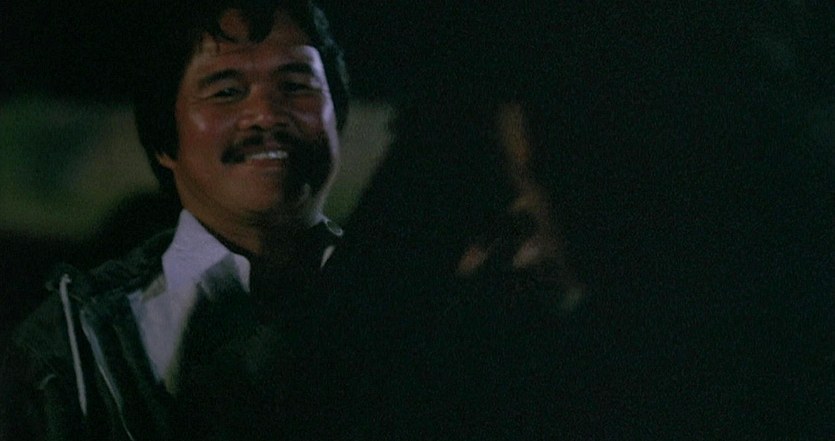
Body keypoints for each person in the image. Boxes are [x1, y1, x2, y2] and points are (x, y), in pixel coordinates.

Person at [0, 1, 349, 439]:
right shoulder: (66, 353)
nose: (267, 115)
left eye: (297, 85)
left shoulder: (408, 294)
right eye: (226, 91)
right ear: (166, 138)